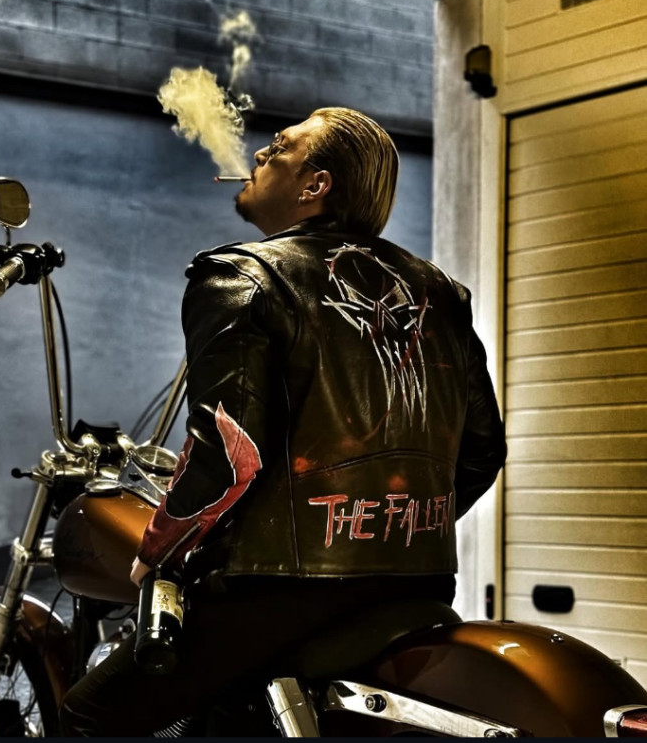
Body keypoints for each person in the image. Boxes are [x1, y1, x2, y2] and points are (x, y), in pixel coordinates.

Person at [60, 107, 506, 735]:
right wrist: (387, 525)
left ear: (315, 185)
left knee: (87, 714)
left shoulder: (240, 275)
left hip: (277, 591)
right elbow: (482, 448)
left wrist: (159, 549)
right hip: (419, 582)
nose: (259, 155)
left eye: (279, 147)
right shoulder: (440, 290)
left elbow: (229, 453)